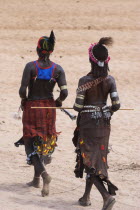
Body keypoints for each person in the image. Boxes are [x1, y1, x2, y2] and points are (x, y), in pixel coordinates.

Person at [73, 37, 120, 210]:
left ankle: (106, 196)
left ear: (91, 60)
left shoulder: (84, 81)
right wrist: (106, 109)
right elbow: (116, 105)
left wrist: (85, 105)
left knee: (88, 160)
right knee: (97, 160)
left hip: (88, 126)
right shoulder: (111, 80)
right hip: (104, 126)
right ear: (106, 60)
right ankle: (85, 198)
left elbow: (78, 107)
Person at [19, 31, 68, 196]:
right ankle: (36, 180)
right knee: (42, 142)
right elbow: (65, 93)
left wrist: (23, 101)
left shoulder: (31, 66)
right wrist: (58, 102)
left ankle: (45, 175)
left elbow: (22, 90)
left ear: (38, 49)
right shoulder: (58, 69)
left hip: (32, 107)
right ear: (51, 51)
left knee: (30, 143)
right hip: (49, 108)